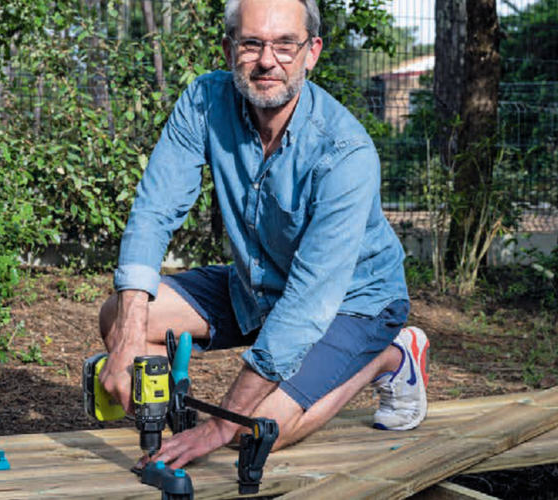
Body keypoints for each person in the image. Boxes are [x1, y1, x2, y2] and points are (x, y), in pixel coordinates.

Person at [97, 0, 430, 470]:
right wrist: (130, 339)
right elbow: (153, 211)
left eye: (285, 45)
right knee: (120, 315)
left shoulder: (345, 152)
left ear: (311, 52)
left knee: (253, 430)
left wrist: (219, 425)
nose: (268, 60)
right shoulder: (204, 103)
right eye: (252, 43)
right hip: (259, 286)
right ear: (230, 48)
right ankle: (167, 419)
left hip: (354, 300)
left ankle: (390, 356)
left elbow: (307, 305)